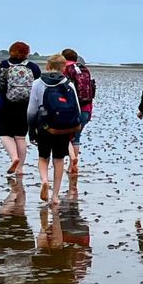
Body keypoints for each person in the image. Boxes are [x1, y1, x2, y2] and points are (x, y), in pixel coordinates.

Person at [25, 53, 85, 204]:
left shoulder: (38, 83)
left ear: (47, 66)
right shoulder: (68, 84)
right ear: (63, 68)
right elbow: (76, 109)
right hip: (63, 128)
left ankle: (45, 180)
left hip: (44, 125)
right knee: (59, 159)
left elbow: (32, 109)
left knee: (43, 157)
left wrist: (31, 129)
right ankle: (55, 196)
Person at [0, 42, 42, 176]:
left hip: (5, 105)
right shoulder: (33, 67)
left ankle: (14, 157)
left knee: (5, 135)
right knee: (20, 137)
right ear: (27, 53)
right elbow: (38, 88)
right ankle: (20, 168)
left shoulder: (4, 66)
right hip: (26, 106)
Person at [59, 48, 98, 179]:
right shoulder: (84, 70)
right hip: (86, 109)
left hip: (71, 109)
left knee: (65, 137)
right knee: (76, 137)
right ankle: (73, 165)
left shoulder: (65, 70)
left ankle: (72, 160)